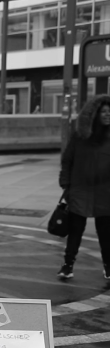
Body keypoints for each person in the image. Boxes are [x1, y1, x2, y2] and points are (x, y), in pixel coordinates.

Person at [58, 94, 110, 280]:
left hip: (105, 192)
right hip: (80, 190)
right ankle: (68, 265)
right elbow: (67, 161)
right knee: (75, 230)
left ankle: (108, 266)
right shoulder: (80, 136)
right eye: (103, 111)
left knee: (105, 233)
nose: (107, 114)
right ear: (93, 114)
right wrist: (66, 184)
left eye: (109, 111)